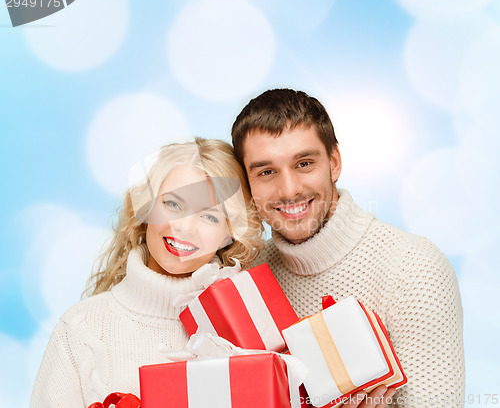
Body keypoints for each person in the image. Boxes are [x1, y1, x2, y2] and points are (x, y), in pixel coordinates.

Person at [231, 89, 465, 408]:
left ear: (334, 162)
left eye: (304, 163)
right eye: (267, 172)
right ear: (247, 182)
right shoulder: (246, 280)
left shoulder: (414, 267)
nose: (289, 189)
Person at [29, 138, 264, 407]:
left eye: (210, 217)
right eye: (173, 204)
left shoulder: (246, 331)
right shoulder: (80, 329)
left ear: (229, 236)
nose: (183, 228)